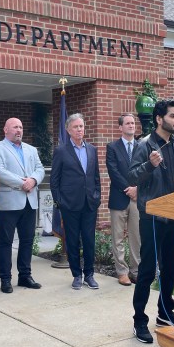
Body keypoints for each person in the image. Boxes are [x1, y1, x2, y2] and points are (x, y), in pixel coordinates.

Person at [128, 99, 174, 344]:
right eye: (173, 116)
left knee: (170, 268)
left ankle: (165, 312)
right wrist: (150, 164)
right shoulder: (144, 145)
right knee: (148, 270)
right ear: (159, 119)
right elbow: (132, 176)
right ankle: (139, 320)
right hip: (152, 216)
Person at [0, 117, 45, 293]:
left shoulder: (31, 149)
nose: (19, 130)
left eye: (20, 127)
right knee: (6, 241)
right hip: (8, 203)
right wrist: (23, 183)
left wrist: (33, 180)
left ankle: (25, 276)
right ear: (5, 130)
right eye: (15, 127)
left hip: (29, 201)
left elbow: (40, 169)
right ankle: (5, 279)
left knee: (27, 241)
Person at [51, 113, 101, 290]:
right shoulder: (61, 151)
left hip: (89, 204)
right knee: (72, 241)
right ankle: (77, 275)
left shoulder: (92, 149)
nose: (79, 129)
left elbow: (96, 177)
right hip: (69, 205)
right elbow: (54, 180)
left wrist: (97, 197)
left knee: (89, 241)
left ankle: (89, 275)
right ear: (68, 130)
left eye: (81, 126)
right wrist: (59, 201)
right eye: (75, 127)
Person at [106, 113, 141, 286]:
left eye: (133, 123)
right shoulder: (112, 147)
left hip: (137, 199)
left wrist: (137, 189)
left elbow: (147, 170)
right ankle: (122, 272)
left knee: (136, 237)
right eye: (127, 123)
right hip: (119, 198)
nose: (131, 125)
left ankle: (136, 271)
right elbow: (113, 171)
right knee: (118, 238)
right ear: (120, 127)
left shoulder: (142, 147)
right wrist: (129, 189)